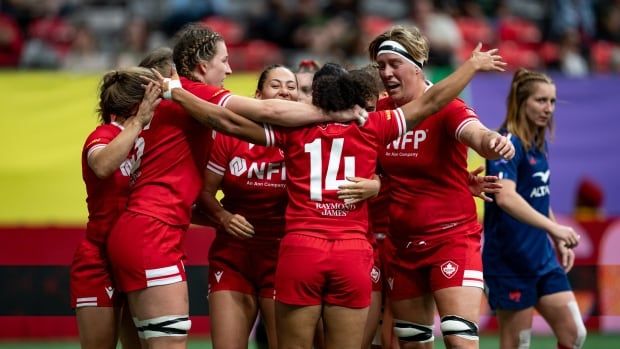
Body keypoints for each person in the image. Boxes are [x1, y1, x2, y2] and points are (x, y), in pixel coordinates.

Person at [152, 42, 507, 348]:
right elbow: (432, 103)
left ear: (316, 97)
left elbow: (225, 122)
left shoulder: (294, 132)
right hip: (352, 253)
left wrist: (177, 92)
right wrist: (471, 66)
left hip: (300, 248)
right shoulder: (372, 127)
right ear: (355, 96)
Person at [105, 23, 365, 349]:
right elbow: (252, 116)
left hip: (146, 228)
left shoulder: (178, 98)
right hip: (155, 232)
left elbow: (235, 126)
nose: (229, 68)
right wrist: (333, 113)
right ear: (202, 66)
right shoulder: (196, 93)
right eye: (224, 61)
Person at [366, 25, 516, 349]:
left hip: (451, 239)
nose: (387, 73)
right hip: (402, 245)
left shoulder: (449, 107)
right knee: (413, 344)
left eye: (394, 64)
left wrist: (492, 143)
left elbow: (475, 133)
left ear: (418, 64)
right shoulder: (379, 113)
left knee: (458, 338)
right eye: (381, 66)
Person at [483, 68, 585, 349]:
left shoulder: (538, 144)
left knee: (574, 334)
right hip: (509, 260)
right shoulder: (505, 143)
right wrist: (555, 227)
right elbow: (506, 197)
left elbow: (537, 196)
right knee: (518, 344)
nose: (548, 109)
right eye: (541, 101)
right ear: (521, 101)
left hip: (542, 258)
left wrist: (555, 238)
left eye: (552, 102)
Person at [70, 68, 161, 349]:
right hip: (99, 260)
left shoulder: (154, 141)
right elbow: (102, 166)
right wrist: (139, 121)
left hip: (137, 255)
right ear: (138, 105)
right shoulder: (103, 135)